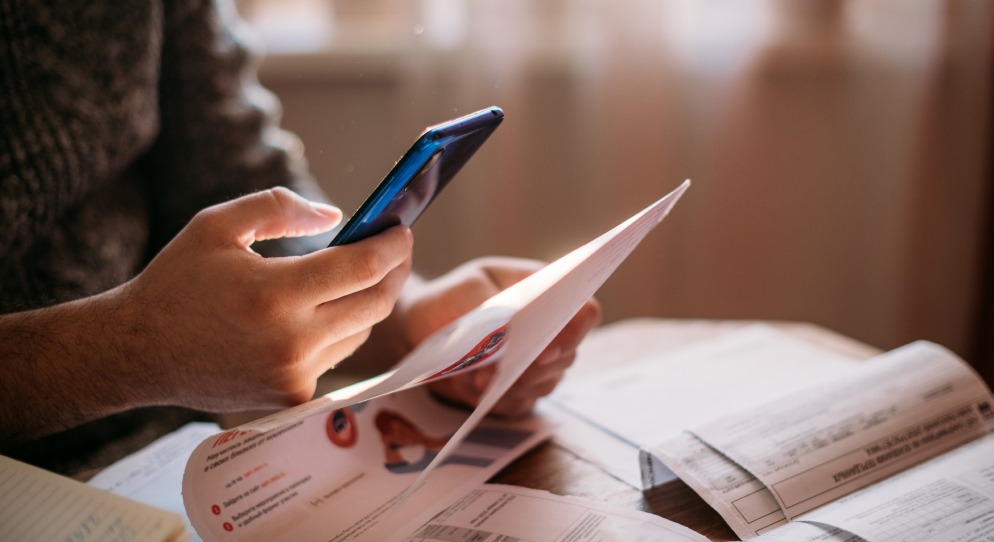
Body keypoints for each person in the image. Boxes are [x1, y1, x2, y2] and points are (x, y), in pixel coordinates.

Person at [0, 2, 600, 474]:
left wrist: (414, 320)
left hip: (174, 470)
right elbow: (168, 334)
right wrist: (135, 349)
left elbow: (242, 189)